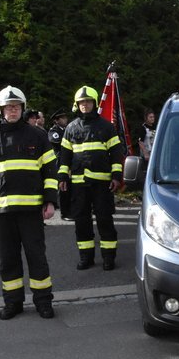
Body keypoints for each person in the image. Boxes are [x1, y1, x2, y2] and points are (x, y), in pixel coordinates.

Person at [0, 86, 58, 320]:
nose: (13, 110)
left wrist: (50, 202)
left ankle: (43, 302)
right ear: (1, 109)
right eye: (9, 107)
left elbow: (51, 172)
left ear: (22, 108)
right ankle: (13, 302)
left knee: (36, 257)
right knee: (8, 259)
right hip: (3, 212)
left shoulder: (38, 136)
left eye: (17, 106)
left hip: (31, 211)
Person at [57, 86, 125, 271]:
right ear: (76, 105)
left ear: (94, 103)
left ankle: (109, 258)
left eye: (87, 102)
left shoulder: (106, 127)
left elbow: (116, 153)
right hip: (79, 184)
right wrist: (62, 176)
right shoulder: (70, 128)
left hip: (102, 184)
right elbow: (65, 156)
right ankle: (86, 257)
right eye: (81, 102)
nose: (84, 105)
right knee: (81, 222)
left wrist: (117, 176)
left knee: (105, 220)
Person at [47, 109, 71, 220]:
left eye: (65, 117)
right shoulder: (54, 131)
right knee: (63, 187)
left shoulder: (66, 130)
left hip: (68, 162)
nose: (65, 120)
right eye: (62, 118)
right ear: (56, 120)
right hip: (60, 162)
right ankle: (64, 213)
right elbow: (59, 143)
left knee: (69, 188)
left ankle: (71, 210)